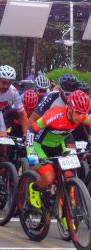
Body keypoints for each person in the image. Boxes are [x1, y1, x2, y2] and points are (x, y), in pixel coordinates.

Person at [26, 90, 91, 227]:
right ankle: (35, 187)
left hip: (58, 145)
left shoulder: (82, 116)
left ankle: (65, 214)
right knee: (49, 177)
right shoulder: (55, 114)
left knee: (68, 176)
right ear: (70, 108)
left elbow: (89, 124)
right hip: (41, 146)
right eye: (78, 113)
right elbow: (31, 129)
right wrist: (30, 152)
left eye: (84, 113)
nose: (81, 117)